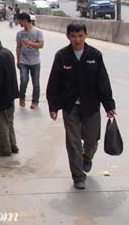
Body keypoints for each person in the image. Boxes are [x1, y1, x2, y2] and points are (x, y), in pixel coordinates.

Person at [46, 22, 116, 190]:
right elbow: (54, 82)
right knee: (73, 142)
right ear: (68, 36)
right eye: (73, 36)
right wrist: (53, 106)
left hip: (91, 105)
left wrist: (109, 105)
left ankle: (87, 157)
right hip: (70, 107)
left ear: (86, 35)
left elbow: (103, 81)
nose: (77, 39)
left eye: (80, 36)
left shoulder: (95, 55)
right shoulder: (62, 56)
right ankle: (78, 176)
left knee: (92, 140)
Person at [16, 12, 44, 109]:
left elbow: (41, 45)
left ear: (25, 21)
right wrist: (18, 60)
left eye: (20, 21)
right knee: (24, 80)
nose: (19, 23)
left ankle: (35, 101)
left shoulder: (37, 32)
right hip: (24, 61)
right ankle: (22, 97)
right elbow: (18, 47)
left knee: (36, 83)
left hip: (35, 61)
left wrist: (30, 43)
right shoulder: (20, 34)